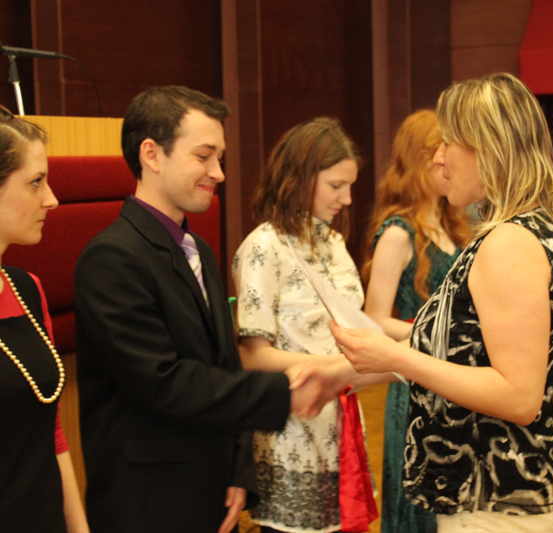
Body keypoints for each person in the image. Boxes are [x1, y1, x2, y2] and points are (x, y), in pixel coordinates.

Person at [75, 86, 334, 533]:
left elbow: (223, 363)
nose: (219, 172)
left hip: (211, 489)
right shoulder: (111, 259)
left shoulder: (199, 248)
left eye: (220, 157)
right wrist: (284, 393)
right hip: (148, 503)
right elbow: (165, 382)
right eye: (203, 156)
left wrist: (237, 470)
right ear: (152, 154)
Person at [331, 72, 553, 532]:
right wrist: (336, 374)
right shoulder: (516, 230)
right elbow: (460, 347)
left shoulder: (509, 240)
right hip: (491, 489)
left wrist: (396, 357)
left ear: (488, 148)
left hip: (498, 494)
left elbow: (518, 396)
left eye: (449, 143)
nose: (439, 158)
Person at [233, 116, 375, 533]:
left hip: (341, 422)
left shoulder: (333, 242)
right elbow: (253, 356)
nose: (347, 199)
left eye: (350, 186)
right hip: (291, 430)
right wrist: (336, 368)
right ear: (299, 178)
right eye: (336, 186)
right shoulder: (264, 246)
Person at [360, 109, 471, 533]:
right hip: (415, 385)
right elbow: (374, 318)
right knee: (419, 508)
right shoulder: (397, 233)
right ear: (419, 161)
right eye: (440, 156)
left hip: (453, 379)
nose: (448, 166)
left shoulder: (453, 226)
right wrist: (433, 334)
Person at [0, 107, 89, 532]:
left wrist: (78, 527)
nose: (51, 198)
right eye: (36, 182)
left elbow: (51, 432)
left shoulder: (27, 289)